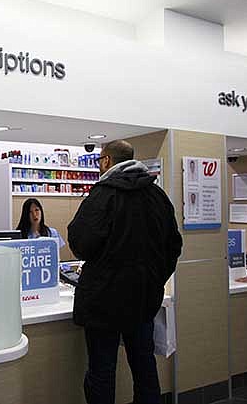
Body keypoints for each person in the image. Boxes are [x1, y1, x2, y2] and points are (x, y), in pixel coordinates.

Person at [67, 140, 182, 404]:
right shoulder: (157, 196)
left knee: (102, 372)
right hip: (143, 300)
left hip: (103, 303)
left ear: (106, 161)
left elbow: (81, 243)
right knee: (144, 365)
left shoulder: (103, 195)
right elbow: (173, 246)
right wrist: (153, 280)